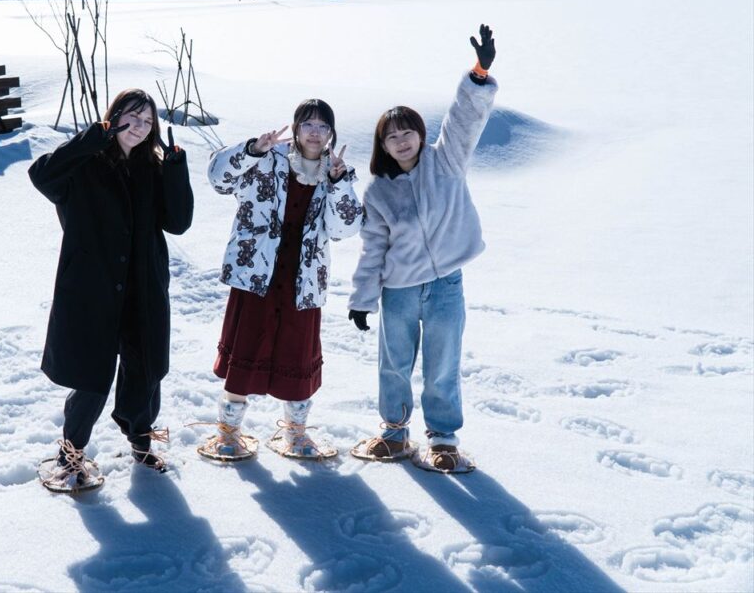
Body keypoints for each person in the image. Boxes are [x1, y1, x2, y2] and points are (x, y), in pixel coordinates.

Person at [348, 24, 498, 473]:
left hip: (446, 284)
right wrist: (362, 299)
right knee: (394, 364)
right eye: (392, 136)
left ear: (420, 133)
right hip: (399, 290)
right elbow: (372, 250)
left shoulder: (446, 161)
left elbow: (464, 119)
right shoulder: (378, 191)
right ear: (383, 145)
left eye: (408, 132)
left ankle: (443, 439)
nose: (402, 140)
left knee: (443, 363)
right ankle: (394, 433)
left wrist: (478, 73)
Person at [29, 89, 194, 491]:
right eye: (132, 117)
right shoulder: (86, 162)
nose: (139, 127)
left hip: (143, 285)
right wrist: (93, 137)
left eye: (147, 121)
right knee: (91, 376)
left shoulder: (153, 168)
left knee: (146, 370)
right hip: (93, 285)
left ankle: (142, 442)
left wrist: (176, 169)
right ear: (114, 117)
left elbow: (178, 222)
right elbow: (42, 175)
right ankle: (71, 453)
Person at [202, 99, 364, 460]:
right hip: (256, 273)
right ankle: (228, 433)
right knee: (245, 349)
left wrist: (338, 183)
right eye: (308, 124)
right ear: (295, 128)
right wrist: (251, 150)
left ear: (331, 133)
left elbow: (346, 228)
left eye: (323, 126)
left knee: (297, 353)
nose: (315, 133)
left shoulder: (337, 172)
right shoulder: (267, 159)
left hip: (303, 280)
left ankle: (296, 434)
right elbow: (218, 178)